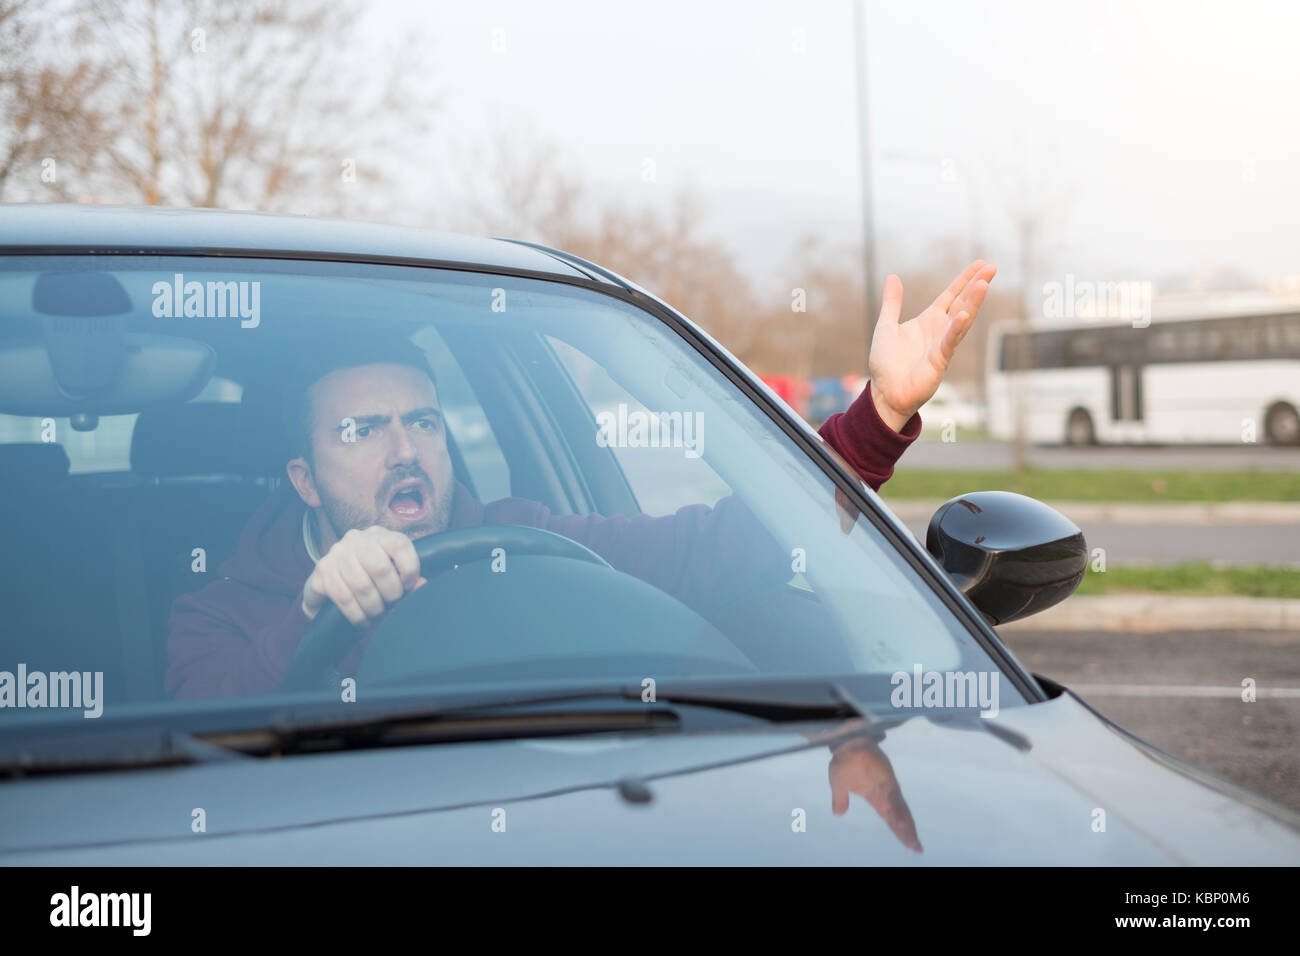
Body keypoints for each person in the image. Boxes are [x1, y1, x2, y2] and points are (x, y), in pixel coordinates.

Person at [166, 261, 995, 702]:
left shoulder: (529, 544)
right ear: (304, 480)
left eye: (422, 420)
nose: (405, 449)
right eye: (363, 430)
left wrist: (878, 417)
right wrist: (314, 612)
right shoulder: (219, 609)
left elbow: (734, 547)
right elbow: (206, 753)